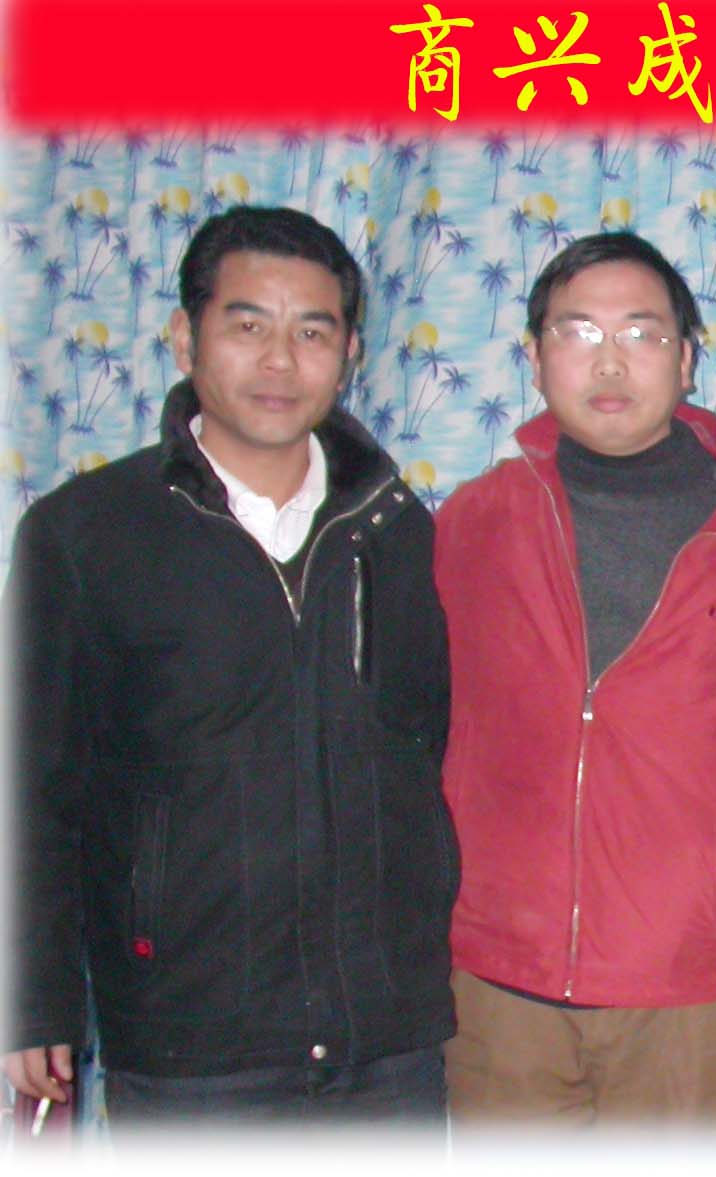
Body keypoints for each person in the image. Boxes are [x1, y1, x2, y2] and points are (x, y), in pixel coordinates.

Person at [5, 206, 455, 1125]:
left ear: (350, 352)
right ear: (185, 337)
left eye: (312, 332)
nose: (280, 361)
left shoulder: (399, 532)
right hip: (189, 1043)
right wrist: (32, 994)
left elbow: (431, 755)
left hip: (386, 1044)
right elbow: (32, 781)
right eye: (248, 325)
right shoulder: (84, 533)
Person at [433, 232, 716, 1124]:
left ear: (687, 358)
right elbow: (428, 722)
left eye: (643, 334)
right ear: (534, 355)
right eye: (578, 331)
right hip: (498, 987)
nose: (610, 361)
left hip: (690, 990)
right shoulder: (474, 522)